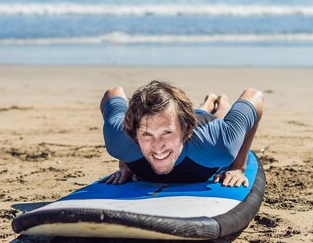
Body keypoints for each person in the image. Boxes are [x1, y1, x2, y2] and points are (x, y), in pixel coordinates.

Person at [100, 80, 263, 187]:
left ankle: (221, 101)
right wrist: (125, 163)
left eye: (167, 133)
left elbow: (255, 96)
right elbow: (113, 92)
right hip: (174, 117)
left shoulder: (219, 144)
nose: (158, 147)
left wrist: (238, 166)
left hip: (203, 129)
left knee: (218, 116)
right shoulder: (118, 139)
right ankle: (207, 102)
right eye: (147, 134)